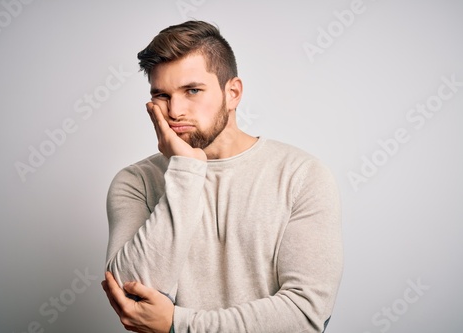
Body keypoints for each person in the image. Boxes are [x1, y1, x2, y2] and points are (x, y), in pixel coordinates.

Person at [101, 20, 343, 333]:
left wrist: (178, 324)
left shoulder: (302, 175)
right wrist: (186, 168)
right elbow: (131, 300)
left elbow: (306, 314)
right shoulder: (135, 182)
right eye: (161, 95)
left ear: (233, 93)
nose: (174, 111)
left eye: (192, 91)